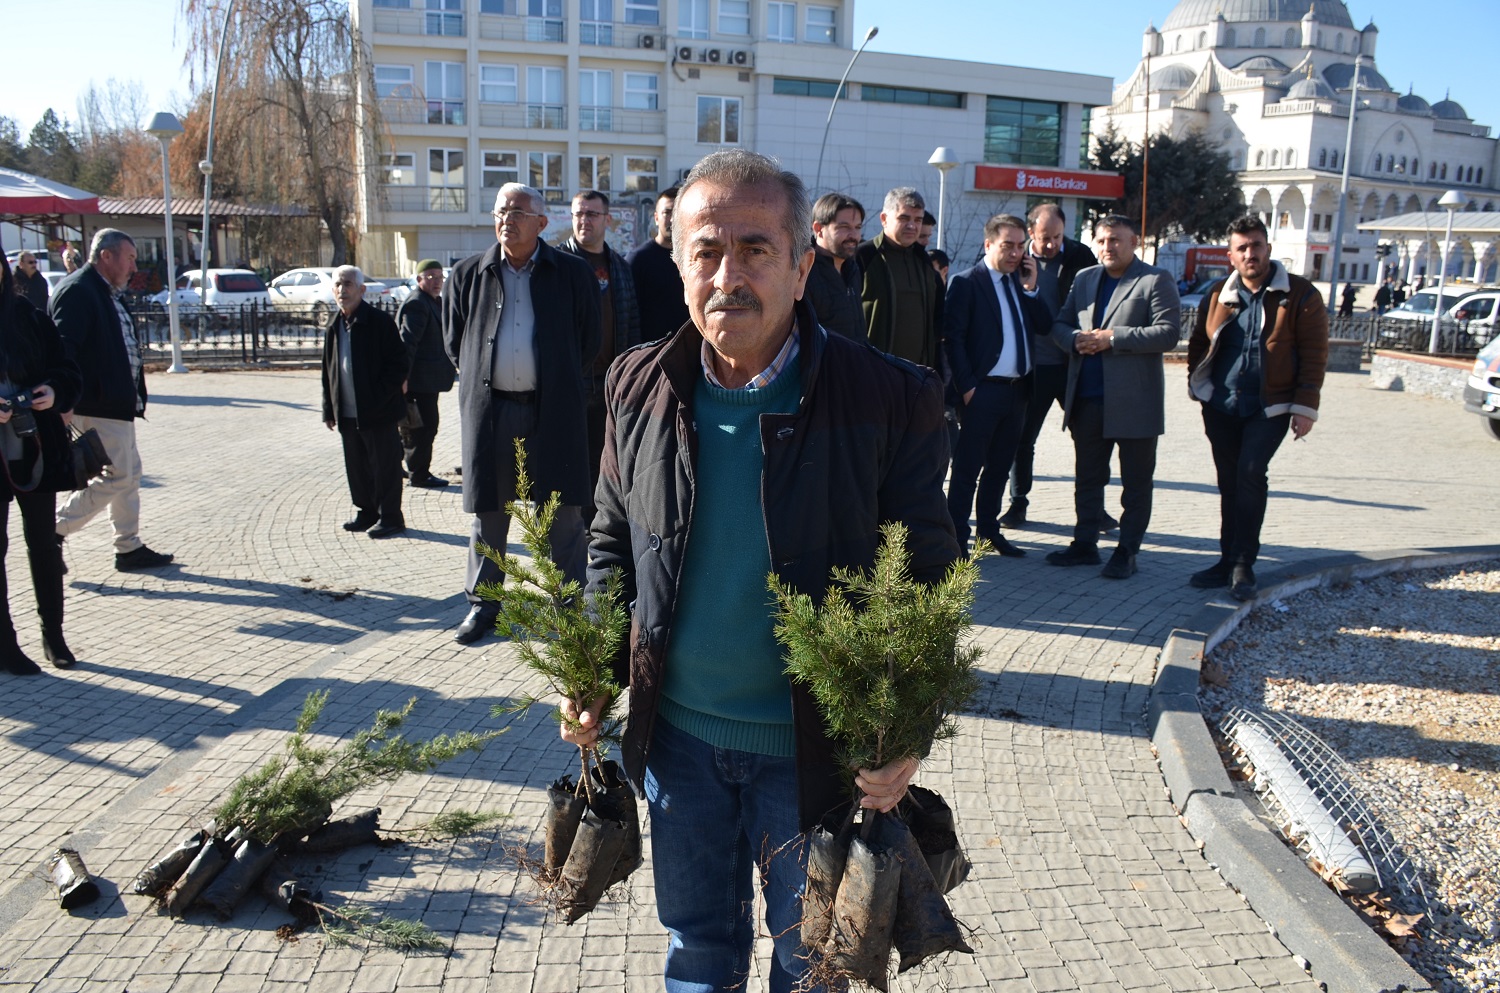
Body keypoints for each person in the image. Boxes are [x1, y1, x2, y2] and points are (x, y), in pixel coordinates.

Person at [563, 148, 959, 993]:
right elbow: (609, 539)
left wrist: (906, 731)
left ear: (803, 265)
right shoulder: (637, 386)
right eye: (707, 250)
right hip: (679, 747)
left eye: (755, 249)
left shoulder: (888, 399)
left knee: (810, 966)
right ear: (678, 264)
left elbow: (927, 577)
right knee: (697, 949)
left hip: (811, 759)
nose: (728, 275)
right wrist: (595, 667)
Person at [444, 184, 600, 645]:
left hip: (552, 413)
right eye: (500, 211)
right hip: (491, 414)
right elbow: (455, 344)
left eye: (517, 211)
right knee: (489, 513)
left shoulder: (571, 273)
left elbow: (588, 341)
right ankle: (483, 605)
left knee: (562, 516)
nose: (507, 219)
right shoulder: (468, 273)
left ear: (541, 222)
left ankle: (568, 605)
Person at [1187, 215, 1328, 601]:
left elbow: (1315, 354)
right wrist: (1200, 388)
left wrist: (1305, 406)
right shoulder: (1217, 294)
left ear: (1268, 248)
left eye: (1257, 245)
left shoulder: (1299, 295)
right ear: (1231, 255)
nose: (1251, 253)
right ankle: (1225, 560)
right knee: (1228, 482)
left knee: (1250, 474)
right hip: (1221, 405)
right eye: (1243, 248)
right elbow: (1200, 344)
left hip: (1271, 407)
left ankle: (1243, 565)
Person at [1045, 215, 1181, 579]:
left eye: (1117, 240)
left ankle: (1127, 551)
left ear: (1134, 241)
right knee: (1087, 478)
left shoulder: (1154, 280)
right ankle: (1084, 544)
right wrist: (1073, 339)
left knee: (1135, 483)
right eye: (1103, 240)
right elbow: (1059, 324)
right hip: (1087, 400)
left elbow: (1168, 334)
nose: (1109, 247)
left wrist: (1113, 338)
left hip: (1135, 404)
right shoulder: (1085, 278)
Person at [50, 229, 174, 572]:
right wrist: (65, 400)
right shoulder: (79, 291)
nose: (134, 266)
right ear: (107, 256)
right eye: (130, 257)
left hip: (116, 405)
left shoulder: (105, 292)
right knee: (118, 476)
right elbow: (63, 349)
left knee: (129, 474)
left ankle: (129, 547)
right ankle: (53, 530)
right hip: (95, 405)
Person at [943, 213, 1050, 559]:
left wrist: (1032, 289)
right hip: (982, 392)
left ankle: (989, 534)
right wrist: (968, 387)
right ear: (988, 244)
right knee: (967, 470)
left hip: (1017, 392)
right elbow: (953, 339)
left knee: (1000, 468)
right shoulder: (966, 283)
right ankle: (957, 538)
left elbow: (1045, 326)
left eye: (1021, 246)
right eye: (1008, 245)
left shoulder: (1019, 283)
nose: (1016, 253)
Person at [0, 256, 81, 674]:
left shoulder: (28, 316)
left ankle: (54, 634)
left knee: (43, 544)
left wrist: (53, 390)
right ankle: (5, 645)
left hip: (34, 450)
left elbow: (67, 367)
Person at [999, 202, 1100, 530]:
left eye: (1057, 236)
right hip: (1033, 366)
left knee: (1088, 440)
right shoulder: (1015, 260)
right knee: (1022, 440)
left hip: (1074, 365)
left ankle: (1092, 509)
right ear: (1031, 233)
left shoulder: (1080, 256)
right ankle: (1018, 504)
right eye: (1044, 237)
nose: (1052, 244)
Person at [558, 189, 643, 504]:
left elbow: (631, 321)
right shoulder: (558, 264)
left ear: (607, 219)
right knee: (570, 454)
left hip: (610, 381)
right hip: (572, 381)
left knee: (605, 456)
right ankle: (569, 521)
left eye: (591, 214)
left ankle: (598, 521)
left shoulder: (620, 266)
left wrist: (629, 375)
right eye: (578, 214)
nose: (584, 220)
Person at [321, 266, 408, 539]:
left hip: (378, 412)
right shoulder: (334, 325)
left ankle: (391, 517)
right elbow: (328, 370)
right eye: (337, 284)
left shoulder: (379, 322)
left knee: (385, 468)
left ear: (361, 290)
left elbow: (398, 365)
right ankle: (366, 511)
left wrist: (377, 398)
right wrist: (329, 408)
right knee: (357, 468)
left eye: (347, 284)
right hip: (347, 413)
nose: (341, 290)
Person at [857, 187, 942, 368]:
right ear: (884, 219)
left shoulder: (924, 261)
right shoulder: (863, 256)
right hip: (871, 371)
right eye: (904, 218)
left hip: (917, 376)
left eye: (917, 220)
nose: (912, 226)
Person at [397, 260, 455, 489]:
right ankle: (419, 474)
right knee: (423, 427)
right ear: (419, 279)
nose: (436, 281)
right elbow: (407, 343)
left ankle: (405, 467)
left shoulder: (432, 301)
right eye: (430, 276)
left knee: (420, 426)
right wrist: (403, 377)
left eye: (440, 277)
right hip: (418, 381)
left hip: (427, 380)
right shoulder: (417, 304)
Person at [626, 187, 691, 341]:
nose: (673, 219)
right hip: (651, 356)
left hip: (693, 354)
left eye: (677, 213)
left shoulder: (697, 258)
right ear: (656, 218)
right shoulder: (638, 260)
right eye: (667, 212)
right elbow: (626, 317)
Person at [802, 192, 866, 342]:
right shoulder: (803, 273)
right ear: (818, 229)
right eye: (844, 227)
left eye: (857, 227)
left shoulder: (852, 269)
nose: (853, 235)